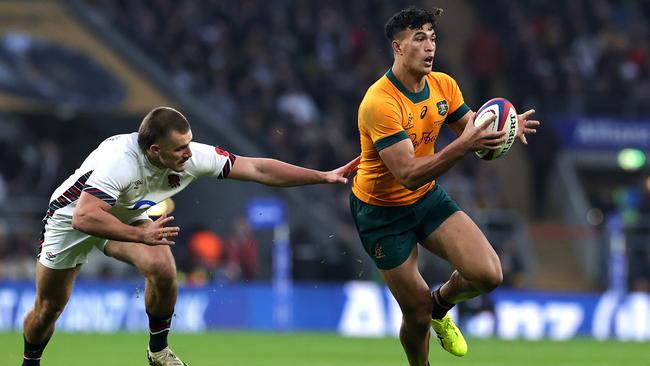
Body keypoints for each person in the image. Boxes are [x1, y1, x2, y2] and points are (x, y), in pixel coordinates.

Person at [22, 106, 360, 366]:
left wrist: (321, 176)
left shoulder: (192, 155)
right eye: (180, 148)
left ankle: (158, 352)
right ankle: (30, 361)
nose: (189, 152)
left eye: (189, 143)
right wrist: (138, 236)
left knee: (164, 268)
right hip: (70, 221)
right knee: (48, 309)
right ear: (154, 151)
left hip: (125, 217)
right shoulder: (119, 162)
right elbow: (84, 216)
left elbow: (256, 168)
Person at [349, 7, 539, 366]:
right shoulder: (380, 103)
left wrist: (503, 132)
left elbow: (476, 140)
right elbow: (408, 173)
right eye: (419, 38)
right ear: (398, 47)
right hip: (382, 213)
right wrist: (464, 145)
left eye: (433, 38)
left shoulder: (444, 85)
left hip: (426, 198)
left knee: (488, 274)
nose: (429, 46)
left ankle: (441, 305)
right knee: (415, 314)